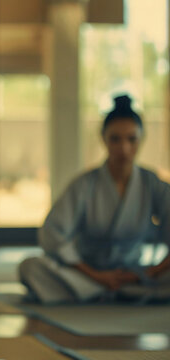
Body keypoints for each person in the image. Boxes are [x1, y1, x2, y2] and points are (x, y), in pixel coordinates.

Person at [19, 95, 170, 304]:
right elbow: (52, 233)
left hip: (138, 275)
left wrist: (148, 272)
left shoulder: (152, 184)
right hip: (88, 275)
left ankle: (118, 290)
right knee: (31, 267)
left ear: (141, 139)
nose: (124, 148)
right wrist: (95, 275)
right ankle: (107, 290)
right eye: (115, 139)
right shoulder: (85, 184)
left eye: (131, 139)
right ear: (104, 139)